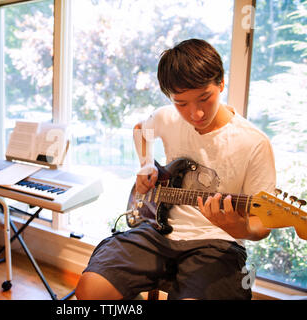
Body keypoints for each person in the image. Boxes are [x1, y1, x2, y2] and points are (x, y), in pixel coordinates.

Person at [75, 39, 276, 300]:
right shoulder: (166, 117)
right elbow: (141, 129)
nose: (196, 114)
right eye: (181, 103)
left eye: (205, 98)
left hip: (218, 242)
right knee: (90, 290)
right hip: (159, 228)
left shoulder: (254, 143)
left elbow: (262, 225)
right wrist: (146, 163)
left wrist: (241, 229)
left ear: (221, 83)